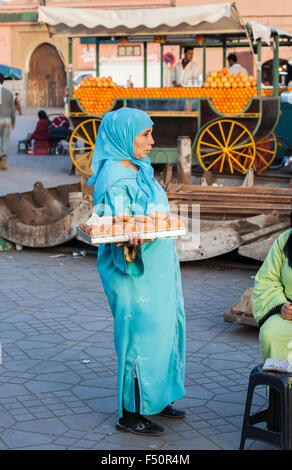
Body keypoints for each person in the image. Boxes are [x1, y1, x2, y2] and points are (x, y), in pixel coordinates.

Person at [87, 107, 186, 436]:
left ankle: (156, 399)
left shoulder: (140, 168)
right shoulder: (113, 178)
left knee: (162, 332)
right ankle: (130, 413)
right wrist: (128, 235)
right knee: (138, 337)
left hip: (159, 268)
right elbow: (115, 229)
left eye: (151, 133)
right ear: (122, 137)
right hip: (132, 270)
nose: (152, 141)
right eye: (145, 134)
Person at [253, 227, 292, 362]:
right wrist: (281, 305)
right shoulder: (285, 239)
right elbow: (267, 280)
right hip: (289, 313)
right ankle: (280, 383)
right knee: (271, 332)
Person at [0, 73, 15, 170]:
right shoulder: (9, 92)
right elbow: (13, 109)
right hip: (7, 119)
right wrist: (13, 122)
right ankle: (3, 156)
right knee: (5, 141)